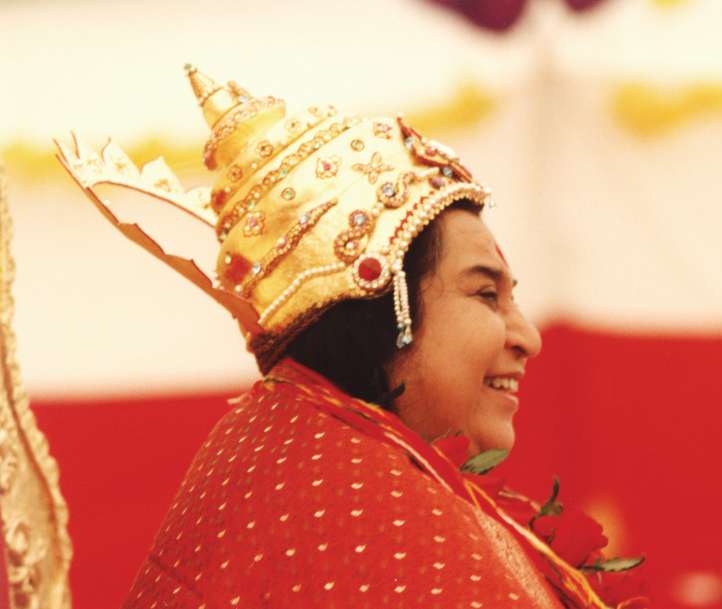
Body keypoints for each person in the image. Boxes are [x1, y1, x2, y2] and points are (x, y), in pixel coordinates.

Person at [57, 66, 647, 609]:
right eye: (486, 294)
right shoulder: (370, 519)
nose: (529, 337)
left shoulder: (291, 444)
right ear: (385, 307)